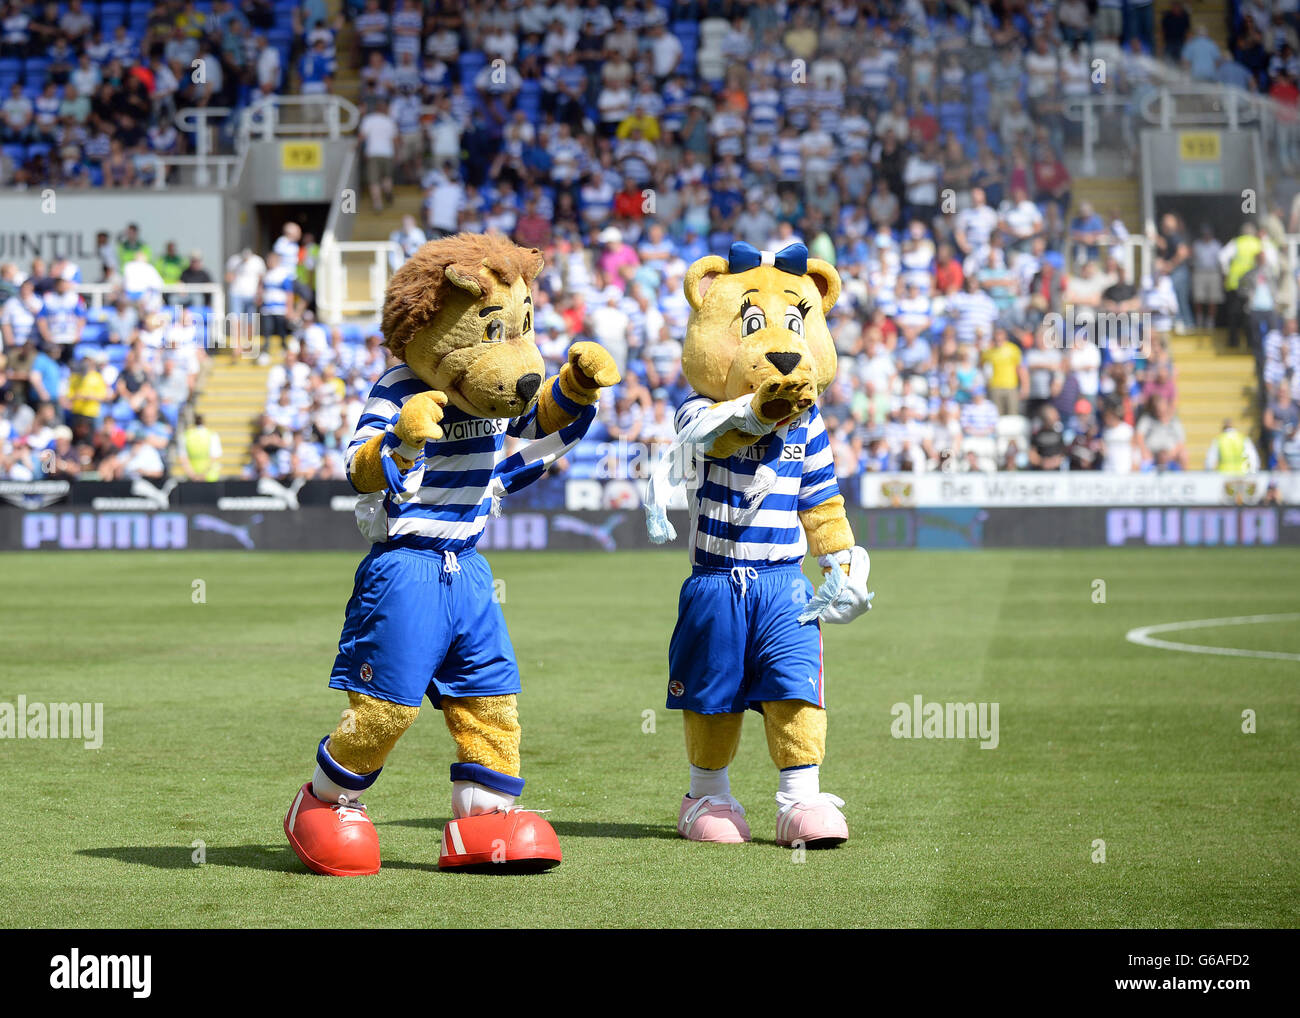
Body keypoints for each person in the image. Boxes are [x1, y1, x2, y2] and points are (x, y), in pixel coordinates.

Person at [357, 99, 397, 213]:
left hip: (373, 153)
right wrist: (397, 154)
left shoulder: (368, 120)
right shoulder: (390, 121)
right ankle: (388, 191)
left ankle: (377, 204)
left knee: (374, 180)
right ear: (385, 109)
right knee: (387, 177)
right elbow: (395, 140)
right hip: (387, 153)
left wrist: (355, 147)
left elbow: (362, 136)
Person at [177, 413, 222, 481]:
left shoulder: (186, 435)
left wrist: (192, 475)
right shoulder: (212, 435)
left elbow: (183, 458)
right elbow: (214, 457)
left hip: (192, 477)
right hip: (210, 477)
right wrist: (203, 475)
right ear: (204, 422)